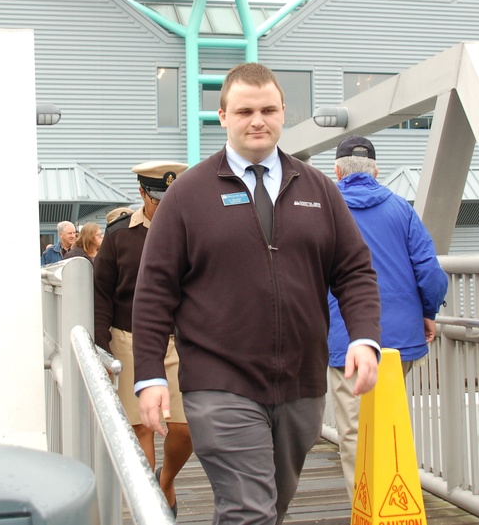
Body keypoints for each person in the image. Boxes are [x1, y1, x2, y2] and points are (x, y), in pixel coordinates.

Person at [132, 62, 382, 525]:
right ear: (223, 116)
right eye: (244, 110)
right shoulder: (188, 195)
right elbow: (154, 291)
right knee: (250, 510)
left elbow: (354, 271)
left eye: (268, 109)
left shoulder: (320, 190)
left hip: (301, 386)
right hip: (219, 381)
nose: (257, 120)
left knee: (272, 505)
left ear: (284, 112)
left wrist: (365, 338)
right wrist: (150, 375)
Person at [327, 135, 449, 502]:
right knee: (392, 423)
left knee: (353, 431)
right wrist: (426, 313)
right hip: (400, 338)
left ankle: (366, 508)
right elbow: (430, 271)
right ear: (376, 171)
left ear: (336, 171)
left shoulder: (325, 210)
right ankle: (397, 502)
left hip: (344, 336)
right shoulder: (401, 208)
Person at [93, 161, 191, 516]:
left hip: (178, 341)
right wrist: (101, 349)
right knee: (142, 429)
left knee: (185, 427)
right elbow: (101, 294)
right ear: (141, 194)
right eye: (157, 200)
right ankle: (151, 506)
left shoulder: (193, 229)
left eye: (170, 200)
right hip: (128, 339)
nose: (164, 208)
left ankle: (165, 480)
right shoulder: (120, 235)